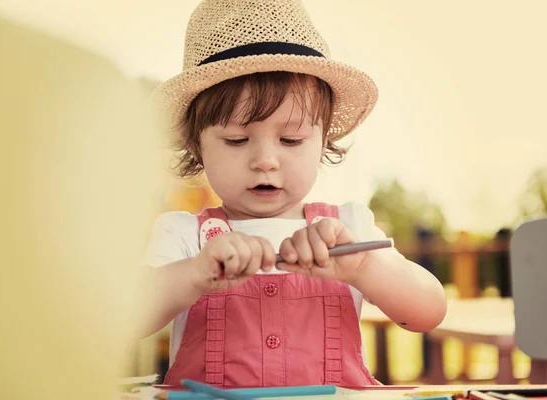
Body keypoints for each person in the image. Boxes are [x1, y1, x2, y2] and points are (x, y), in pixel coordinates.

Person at [138, 0, 447, 387]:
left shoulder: (347, 226)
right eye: (236, 140)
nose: (265, 160)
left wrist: (364, 268)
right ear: (197, 146)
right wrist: (195, 274)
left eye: (291, 139)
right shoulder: (183, 235)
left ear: (322, 143)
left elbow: (428, 311)